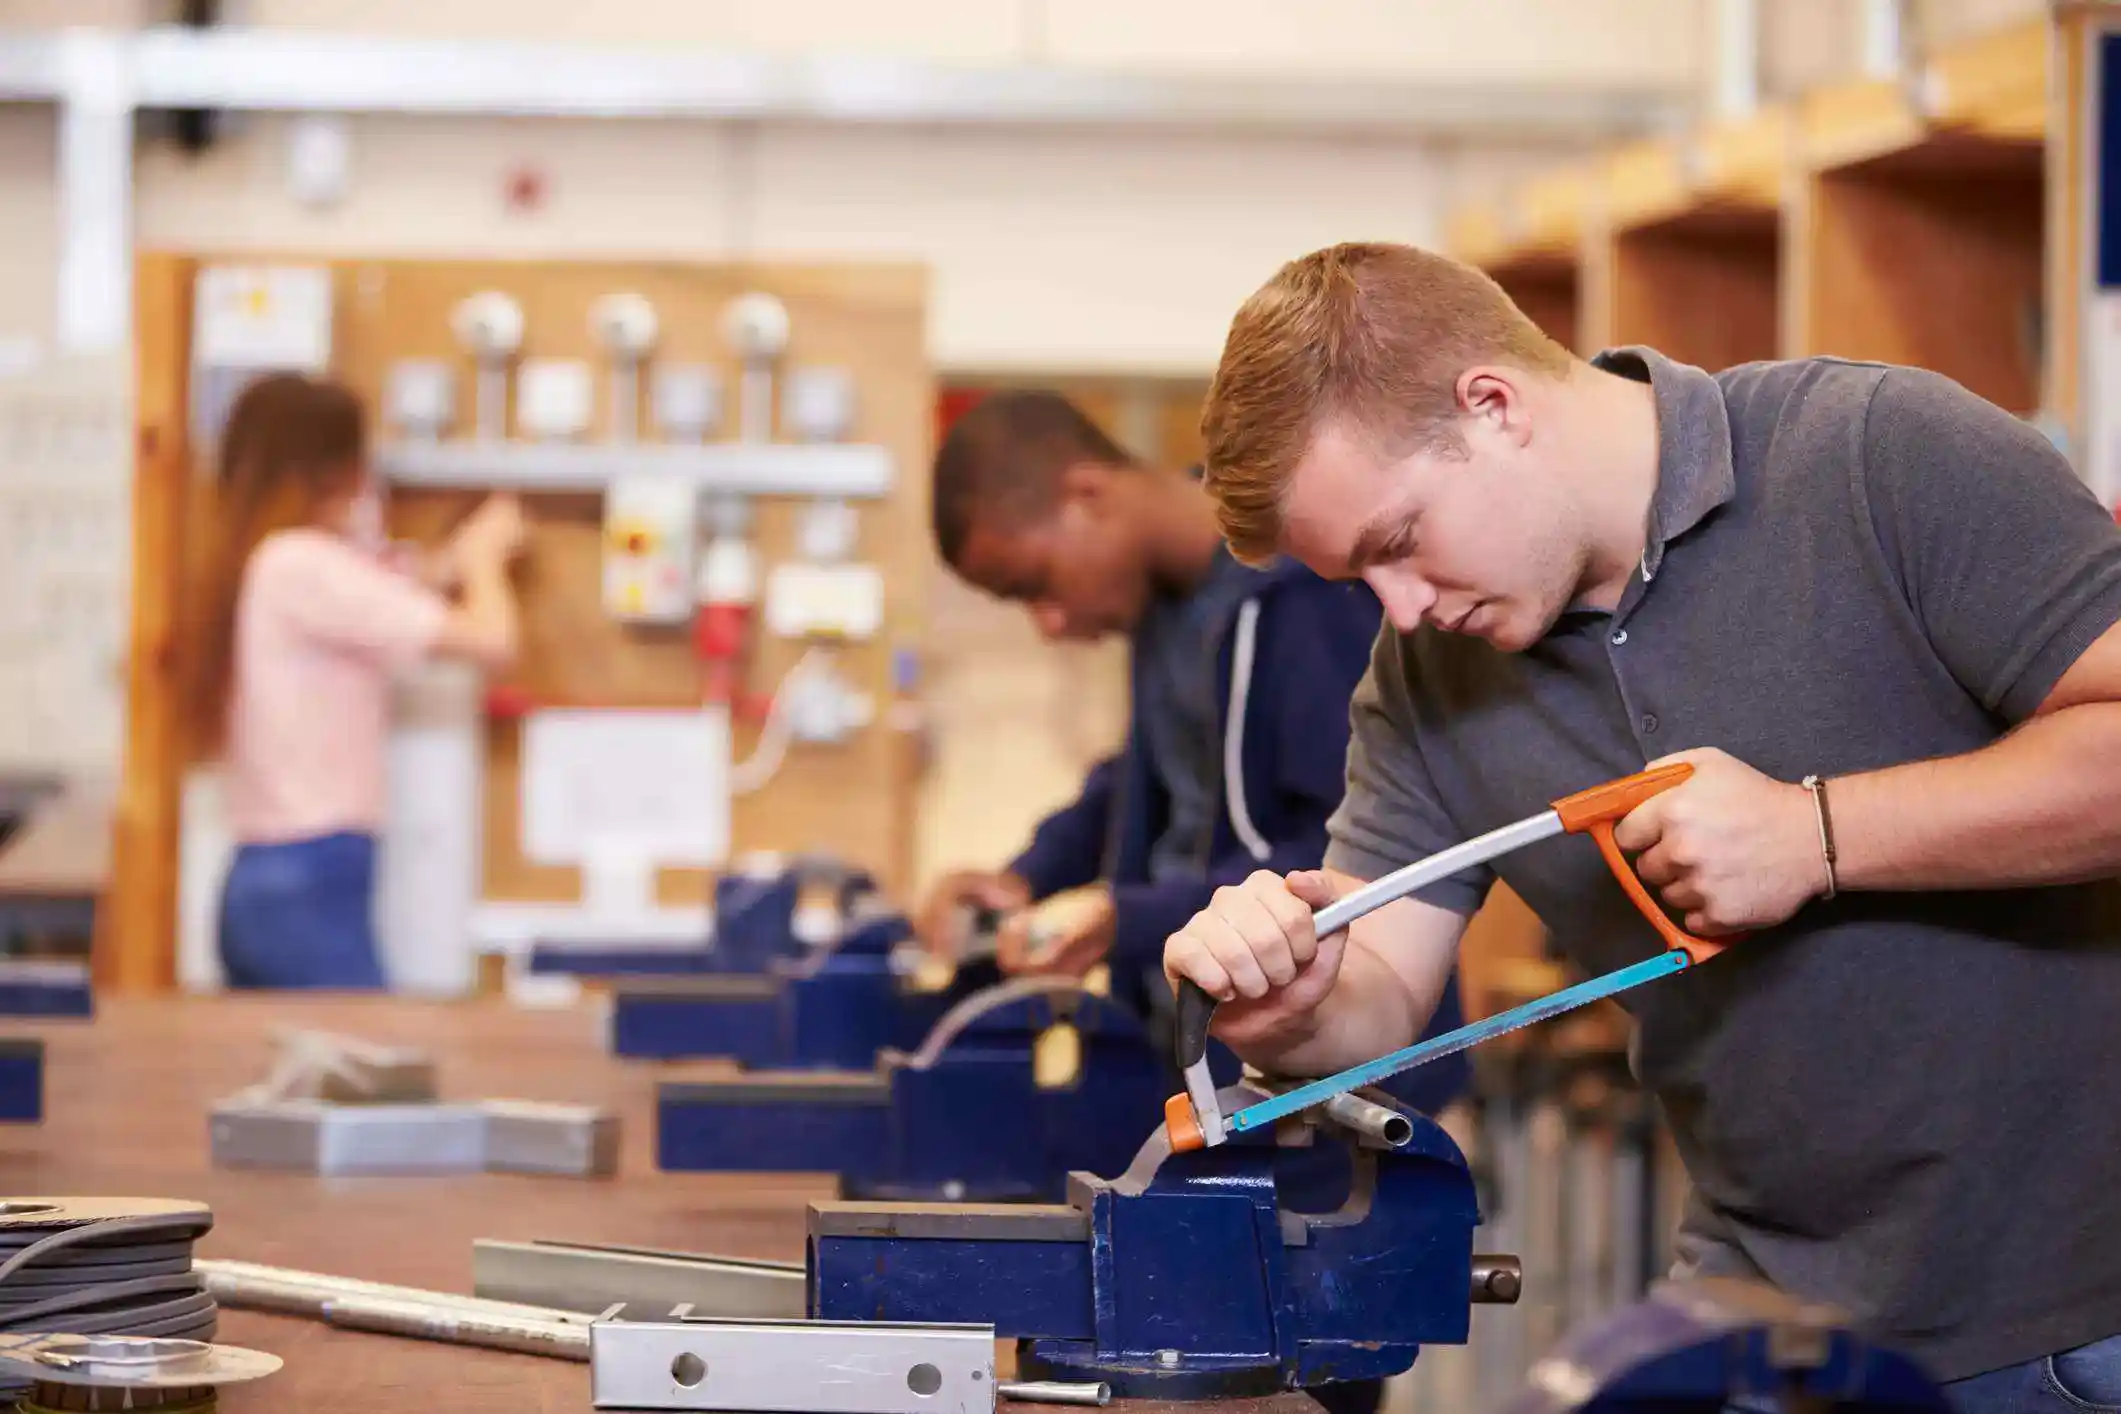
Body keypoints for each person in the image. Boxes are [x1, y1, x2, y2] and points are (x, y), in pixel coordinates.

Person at [1159, 240, 2121, 1412]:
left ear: (1494, 405)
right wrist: (1295, 1001)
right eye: (1360, 583)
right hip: (1762, 1317)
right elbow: (1379, 993)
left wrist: (1817, 835)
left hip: (2084, 1318)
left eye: (1398, 543)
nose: (1402, 610)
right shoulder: (1427, 678)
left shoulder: (1878, 453)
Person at [914, 388, 1471, 1118]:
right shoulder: (1173, 608)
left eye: (1035, 586)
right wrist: (1028, 880)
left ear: (1086, 495)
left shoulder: (1303, 599)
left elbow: (1350, 857)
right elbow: (1146, 779)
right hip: (1210, 1063)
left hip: (1338, 1095)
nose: (1048, 624)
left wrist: (1128, 918)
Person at [192, 372, 526, 990]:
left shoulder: (274, 563)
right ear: (337, 468)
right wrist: (486, 562)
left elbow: (399, 583)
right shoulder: (301, 564)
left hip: (278, 877)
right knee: (365, 1077)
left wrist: (456, 557)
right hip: (309, 879)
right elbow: (493, 640)